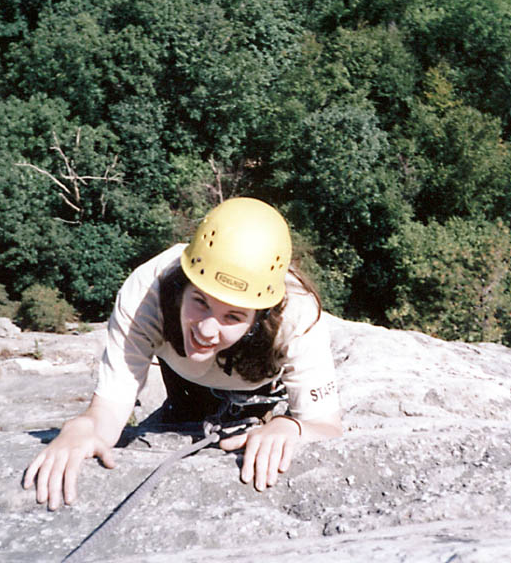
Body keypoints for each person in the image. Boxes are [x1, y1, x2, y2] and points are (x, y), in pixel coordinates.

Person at [23, 197, 342, 510]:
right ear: (182, 286)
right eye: (200, 302)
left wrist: (290, 427)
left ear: (262, 316)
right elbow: (109, 408)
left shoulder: (297, 316)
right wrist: (82, 429)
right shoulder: (147, 294)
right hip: (184, 386)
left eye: (233, 316)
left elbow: (326, 425)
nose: (206, 330)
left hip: (261, 393)